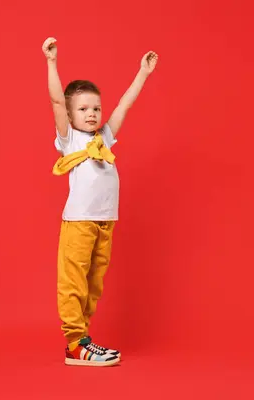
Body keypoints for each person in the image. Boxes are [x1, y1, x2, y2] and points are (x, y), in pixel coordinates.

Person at [42, 37, 158, 366]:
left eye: (95, 108)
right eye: (83, 109)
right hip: (79, 221)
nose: (91, 114)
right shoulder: (70, 139)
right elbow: (54, 101)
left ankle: (83, 342)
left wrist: (142, 74)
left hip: (106, 221)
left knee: (94, 284)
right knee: (74, 282)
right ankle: (75, 342)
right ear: (70, 114)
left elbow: (124, 106)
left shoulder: (103, 137)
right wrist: (51, 64)